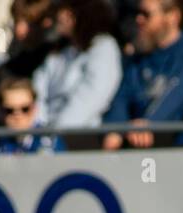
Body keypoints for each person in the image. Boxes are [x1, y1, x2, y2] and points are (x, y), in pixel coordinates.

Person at [102, 0, 183, 149]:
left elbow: (179, 92)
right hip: (136, 143)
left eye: (146, 14)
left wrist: (150, 122)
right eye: (137, 13)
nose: (139, 19)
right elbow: (122, 96)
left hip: (177, 148)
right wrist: (115, 129)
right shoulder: (140, 56)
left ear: (172, 16)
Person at [32, 0, 122, 131]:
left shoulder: (104, 47)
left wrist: (53, 135)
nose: (61, 16)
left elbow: (90, 99)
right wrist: (36, 129)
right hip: (42, 134)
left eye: (68, 11)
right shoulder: (59, 52)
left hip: (78, 138)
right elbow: (38, 92)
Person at [0, 75, 60, 152]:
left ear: (34, 109)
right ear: (1, 111)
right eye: (9, 110)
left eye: (25, 109)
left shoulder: (50, 140)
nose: (18, 115)